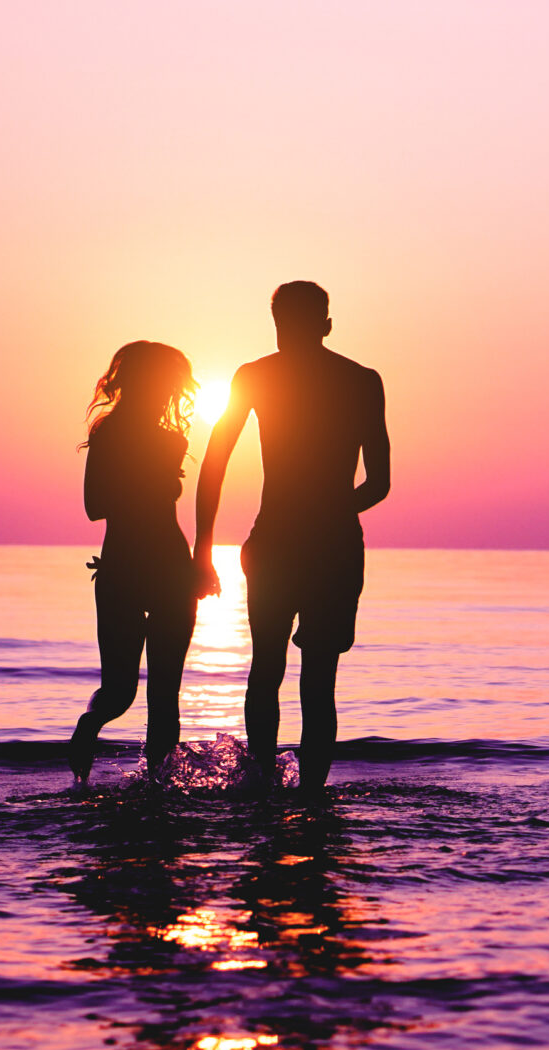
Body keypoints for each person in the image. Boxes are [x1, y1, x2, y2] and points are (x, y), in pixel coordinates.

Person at [193, 282, 391, 792]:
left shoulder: (258, 376)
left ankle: (263, 792)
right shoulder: (360, 380)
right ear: (325, 323)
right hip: (329, 544)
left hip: (283, 540)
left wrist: (203, 546)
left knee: (268, 669)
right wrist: (332, 508)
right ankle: (309, 800)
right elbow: (379, 483)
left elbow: (214, 463)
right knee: (316, 681)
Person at [68, 341, 201, 784]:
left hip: (161, 570)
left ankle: (156, 791)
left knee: (151, 696)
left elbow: (155, 512)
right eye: (166, 382)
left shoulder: (167, 439)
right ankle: (92, 746)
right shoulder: (114, 436)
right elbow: (94, 506)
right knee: (129, 694)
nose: (169, 392)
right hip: (131, 569)